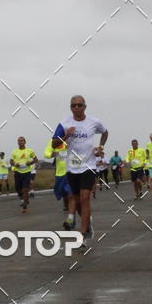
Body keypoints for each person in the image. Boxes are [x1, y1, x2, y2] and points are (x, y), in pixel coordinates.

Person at [53, 95, 108, 248]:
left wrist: (101, 147)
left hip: (88, 166)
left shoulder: (94, 122)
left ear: (85, 106)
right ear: (70, 108)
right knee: (76, 201)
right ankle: (87, 223)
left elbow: (105, 132)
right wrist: (66, 135)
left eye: (79, 105)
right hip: (72, 167)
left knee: (84, 198)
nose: (76, 108)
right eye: (73, 105)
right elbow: (54, 144)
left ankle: (82, 235)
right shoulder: (64, 123)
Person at [43, 137, 74, 227]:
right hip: (60, 174)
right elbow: (46, 154)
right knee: (65, 197)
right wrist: (54, 154)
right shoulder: (55, 141)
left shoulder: (75, 138)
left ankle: (71, 219)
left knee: (71, 196)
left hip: (73, 172)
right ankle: (71, 216)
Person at [9, 136, 38, 213]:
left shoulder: (30, 151)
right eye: (19, 141)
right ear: (17, 142)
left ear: (25, 142)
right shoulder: (14, 152)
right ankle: (24, 199)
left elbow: (36, 159)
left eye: (22, 140)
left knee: (25, 189)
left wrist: (30, 163)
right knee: (18, 189)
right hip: (18, 172)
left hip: (27, 172)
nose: (20, 142)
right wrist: (14, 164)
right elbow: (11, 161)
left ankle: (25, 206)